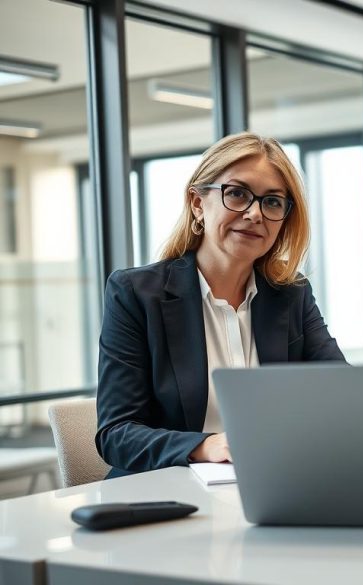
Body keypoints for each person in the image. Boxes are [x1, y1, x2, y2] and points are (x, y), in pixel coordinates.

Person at [96, 132, 347, 477]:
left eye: (272, 202)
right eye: (238, 194)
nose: (255, 213)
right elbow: (116, 433)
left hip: (273, 483)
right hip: (168, 493)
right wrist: (207, 446)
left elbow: (342, 395)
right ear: (198, 203)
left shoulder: (291, 294)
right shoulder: (135, 294)